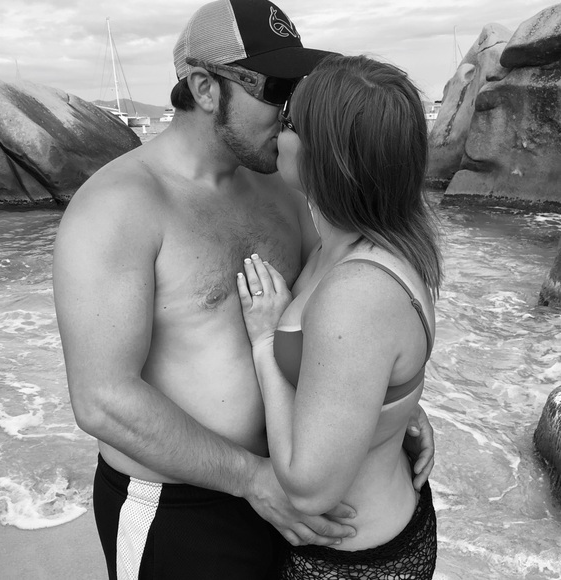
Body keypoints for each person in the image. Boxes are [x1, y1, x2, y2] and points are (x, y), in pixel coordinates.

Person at [53, 1, 436, 578]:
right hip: (184, 510)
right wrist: (249, 478)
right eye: (277, 89)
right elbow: (103, 399)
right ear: (205, 88)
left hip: (288, 492)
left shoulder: (285, 187)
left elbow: (348, 313)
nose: (290, 110)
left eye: (298, 89)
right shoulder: (117, 209)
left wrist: (384, 405)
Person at [236, 54, 442, 579]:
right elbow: (368, 369)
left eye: (288, 121)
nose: (277, 129)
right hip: (365, 537)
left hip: (355, 560)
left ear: (321, 155)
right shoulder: (363, 240)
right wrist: (398, 410)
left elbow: (310, 490)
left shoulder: (357, 291)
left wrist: (264, 342)